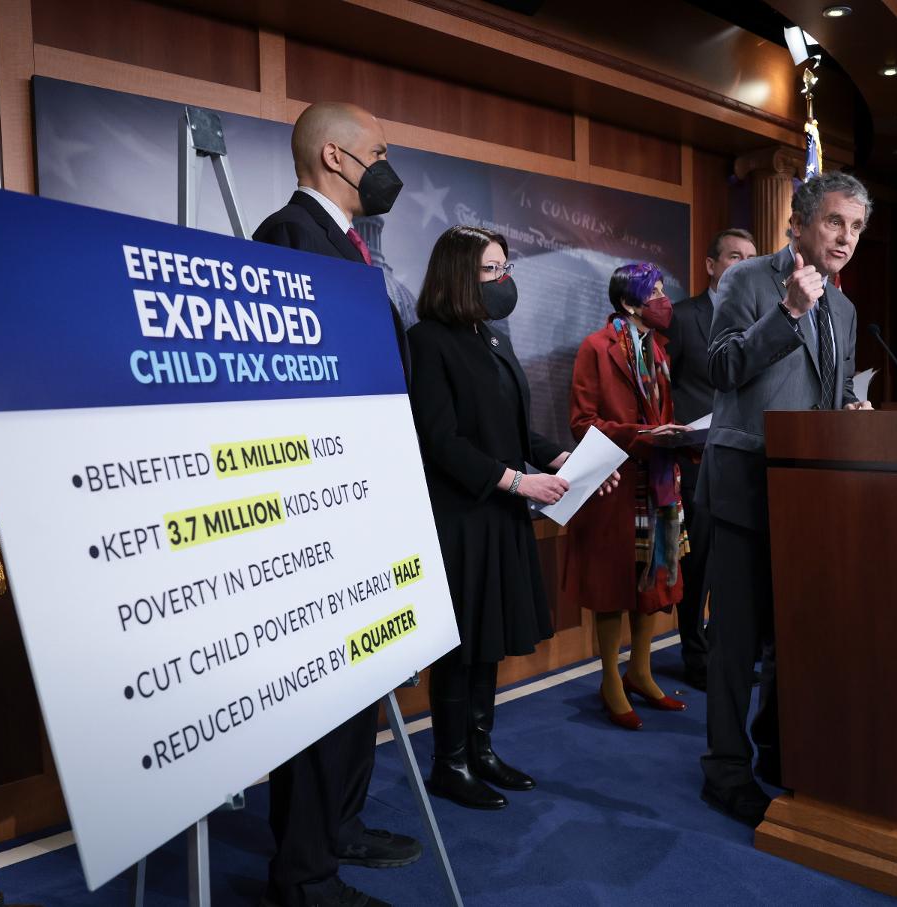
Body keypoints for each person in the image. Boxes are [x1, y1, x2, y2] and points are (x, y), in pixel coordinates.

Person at [253, 101, 418, 907]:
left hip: (362, 496)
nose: (388, 167)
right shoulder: (289, 235)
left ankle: (335, 830)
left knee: (356, 699)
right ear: (333, 157)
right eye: (378, 152)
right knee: (320, 703)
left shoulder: (349, 245)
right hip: (320, 506)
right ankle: (305, 877)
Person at [407, 225, 620, 809]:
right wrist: (518, 481)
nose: (506, 281)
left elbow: (515, 427)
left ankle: (480, 749)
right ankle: (449, 763)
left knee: (490, 640)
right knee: (462, 648)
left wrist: (571, 460)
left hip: (500, 515)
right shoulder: (429, 341)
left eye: (506, 267)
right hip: (463, 518)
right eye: (493, 269)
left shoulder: (491, 338)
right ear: (459, 276)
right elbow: (439, 440)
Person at [697, 172, 874, 827]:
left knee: (792, 640)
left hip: (808, 493)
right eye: (835, 222)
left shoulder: (846, 307)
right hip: (745, 484)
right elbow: (717, 369)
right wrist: (788, 314)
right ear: (797, 223)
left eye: (856, 228)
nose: (846, 238)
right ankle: (724, 768)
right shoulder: (747, 282)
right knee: (736, 643)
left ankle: (777, 749)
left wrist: (850, 408)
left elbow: (827, 391)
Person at [564, 262, 690, 730]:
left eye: (662, 289)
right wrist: (644, 434)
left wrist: (675, 438)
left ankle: (640, 670)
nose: (663, 299)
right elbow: (582, 422)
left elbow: (665, 415)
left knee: (654, 580)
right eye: (653, 292)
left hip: (657, 481)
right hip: (614, 484)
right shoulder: (595, 348)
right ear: (628, 303)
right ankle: (610, 680)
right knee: (612, 586)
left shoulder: (659, 351)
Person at [663, 228, 757, 690]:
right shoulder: (683, 318)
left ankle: (729, 654)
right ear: (711, 265)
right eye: (734, 256)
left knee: (735, 566)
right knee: (698, 564)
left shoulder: (764, 316)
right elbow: (663, 388)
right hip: (696, 461)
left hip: (746, 459)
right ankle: (695, 657)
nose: (742, 265)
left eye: (751, 257)